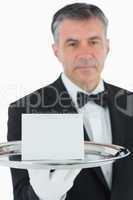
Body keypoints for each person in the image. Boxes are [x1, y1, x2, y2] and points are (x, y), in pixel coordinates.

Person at [7, 2, 133, 200]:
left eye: (93, 42)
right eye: (72, 43)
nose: (85, 54)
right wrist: (44, 195)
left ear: (107, 46)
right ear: (56, 50)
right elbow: (22, 195)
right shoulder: (27, 109)